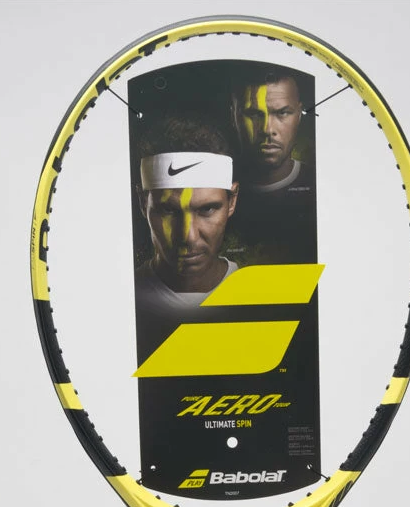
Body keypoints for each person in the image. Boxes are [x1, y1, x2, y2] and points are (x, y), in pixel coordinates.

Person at [133, 117, 240, 325]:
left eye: (207, 209)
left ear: (232, 201)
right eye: (168, 210)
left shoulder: (259, 294)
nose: (188, 236)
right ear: (143, 203)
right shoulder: (123, 297)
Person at [230, 69, 316, 262]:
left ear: (299, 116)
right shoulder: (209, 191)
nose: (268, 129)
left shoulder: (319, 185)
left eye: (282, 113)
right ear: (233, 116)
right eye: (253, 114)